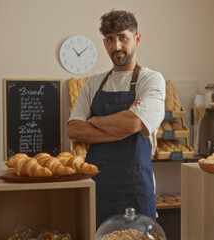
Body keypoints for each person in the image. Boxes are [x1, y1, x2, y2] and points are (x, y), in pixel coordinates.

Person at [67, 9, 166, 228]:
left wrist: (93, 120)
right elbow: (73, 129)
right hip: (98, 188)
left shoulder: (150, 80)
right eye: (110, 40)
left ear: (137, 39)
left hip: (136, 191)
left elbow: (132, 123)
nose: (117, 46)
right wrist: (121, 126)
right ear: (104, 43)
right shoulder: (94, 83)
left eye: (123, 38)